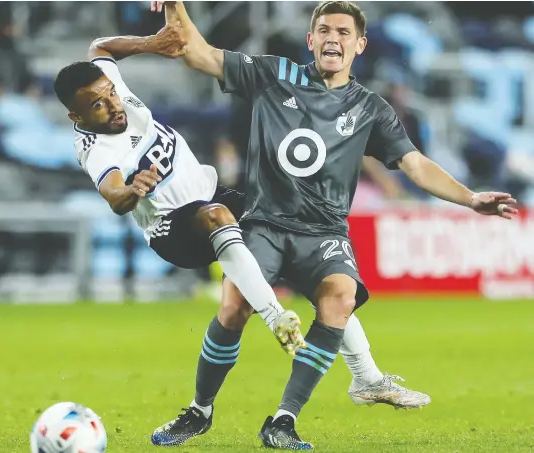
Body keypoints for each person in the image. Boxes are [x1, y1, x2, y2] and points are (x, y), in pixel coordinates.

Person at [148, 1, 519, 449]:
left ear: (359, 45)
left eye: (344, 32)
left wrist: (470, 197)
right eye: (324, 30)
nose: (333, 38)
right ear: (311, 39)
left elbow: (415, 164)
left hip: (325, 233)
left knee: (340, 299)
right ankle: (199, 411)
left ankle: (283, 421)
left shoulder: (370, 108)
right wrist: (175, 5)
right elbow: (198, 52)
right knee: (233, 308)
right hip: (264, 222)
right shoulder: (273, 73)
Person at [52, 23, 307, 357]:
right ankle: (276, 319)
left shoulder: (106, 85)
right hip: (172, 231)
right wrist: (132, 189)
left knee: (299, 241)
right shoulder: (96, 148)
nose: (114, 105)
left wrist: (152, 42)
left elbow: (100, 47)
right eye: (98, 105)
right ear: (77, 115)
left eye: (111, 93)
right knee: (216, 216)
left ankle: (365, 373)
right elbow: (114, 197)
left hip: (210, 192)